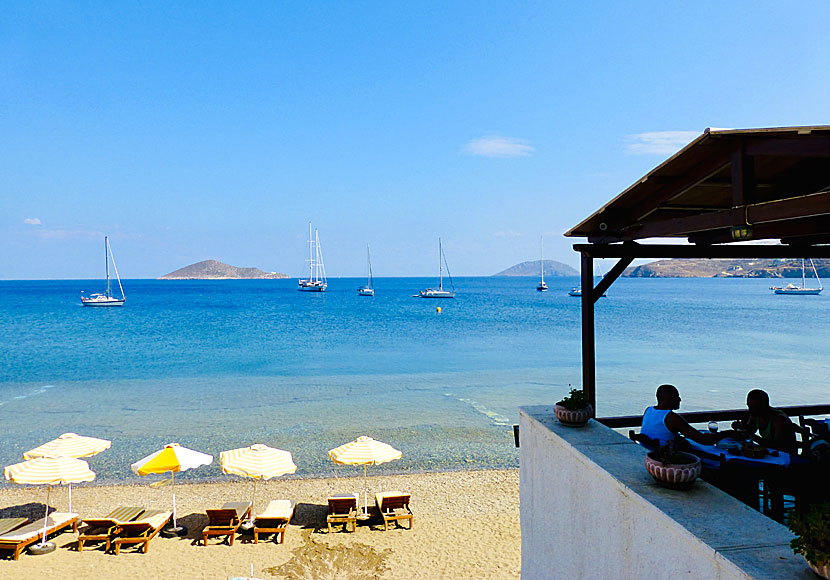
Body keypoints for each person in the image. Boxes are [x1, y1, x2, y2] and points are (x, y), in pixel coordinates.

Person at [640, 384, 725, 448]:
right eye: (676, 397)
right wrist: (725, 434)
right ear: (667, 399)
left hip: (649, 455)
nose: (680, 399)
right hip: (665, 461)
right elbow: (703, 439)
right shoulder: (671, 417)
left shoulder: (649, 410)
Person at [732, 389, 796, 454]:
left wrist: (752, 436)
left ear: (763, 405)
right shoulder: (755, 413)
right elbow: (750, 430)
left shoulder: (778, 419)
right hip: (771, 453)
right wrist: (741, 427)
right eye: (749, 406)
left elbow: (777, 446)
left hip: (786, 457)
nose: (750, 410)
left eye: (754, 407)